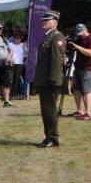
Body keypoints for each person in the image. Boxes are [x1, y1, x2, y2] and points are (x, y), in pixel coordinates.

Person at [34, 10, 65, 148]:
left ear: (55, 22)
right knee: (46, 109)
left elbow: (57, 61)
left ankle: (52, 137)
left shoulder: (57, 37)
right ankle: (49, 136)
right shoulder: (49, 37)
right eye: (43, 20)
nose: (44, 22)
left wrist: (53, 80)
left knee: (49, 109)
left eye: (47, 20)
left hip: (50, 81)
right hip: (45, 80)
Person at [68, 24, 91, 120]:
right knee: (76, 89)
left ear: (85, 29)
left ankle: (88, 113)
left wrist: (77, 47)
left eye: (80, 33)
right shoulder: (80, 39)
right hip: (78, 67)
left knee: (87, 90)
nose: (80, 35)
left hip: (88, 68)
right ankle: (79, 110)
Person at [9, 32, 28, 99]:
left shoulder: (23, 45)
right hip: (11, 64)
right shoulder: (10, 44)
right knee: (9, 79)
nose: (18, 39)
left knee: (16, 80)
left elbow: (25, 55)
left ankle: (14, 94)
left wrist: (25, 47)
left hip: (19, 64)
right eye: (16, 37)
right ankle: (8, 93)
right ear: (14, 38)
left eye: (19, 38)